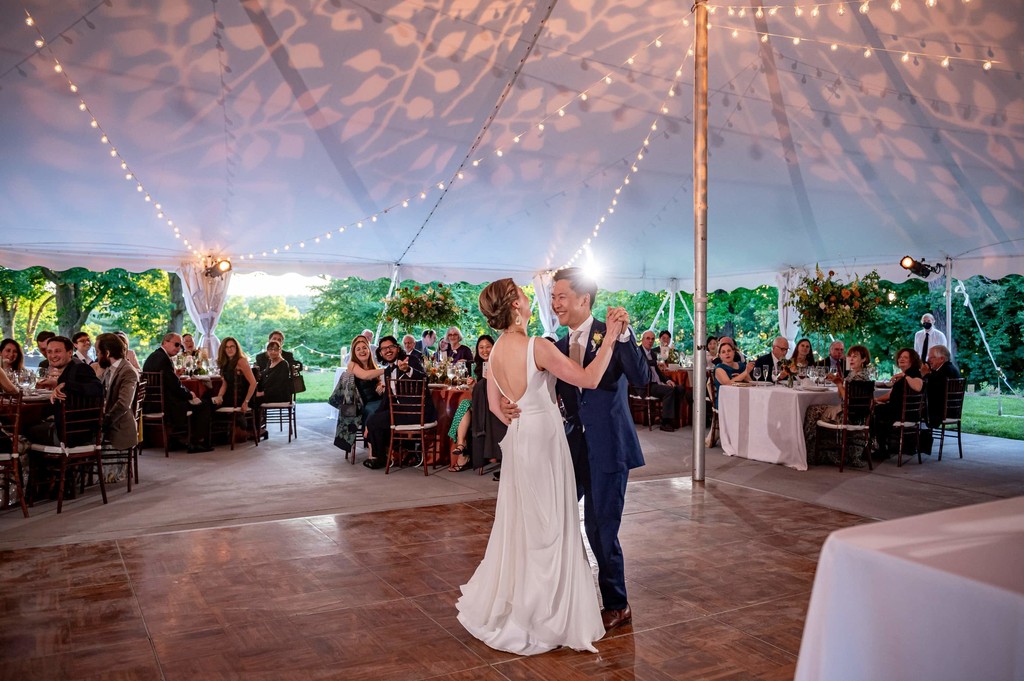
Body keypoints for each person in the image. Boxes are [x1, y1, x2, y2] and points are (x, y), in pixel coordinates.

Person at [456, 277, 629, 655]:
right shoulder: (536, 346)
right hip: (546, 440)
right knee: (550, 524)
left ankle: (522, 603)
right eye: (523, 293)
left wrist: (510, 408)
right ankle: (545, 614)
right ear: (514, 306)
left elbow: (492, 403)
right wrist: (611, 337)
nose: (531, 297)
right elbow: (589, 377)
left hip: (521, 438)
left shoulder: (496, 349)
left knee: (526, 522)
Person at [544, 267, 649, 632]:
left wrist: (625, 335)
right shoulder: (556, 345)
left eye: (561, 296)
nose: (555, 303)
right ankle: (560, 595)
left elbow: (641, 377)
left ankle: (617, 603)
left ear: (583, 299)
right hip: (572, 447)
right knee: (554, 517)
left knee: (600, 528)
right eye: (553, 297)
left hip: (609, 446)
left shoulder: (612, 334)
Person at [363, 336, 433, 469]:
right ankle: (385, 456)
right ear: (380, 353)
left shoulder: (410, 360)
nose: (387, 351)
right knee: (372, 420)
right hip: (401, 413)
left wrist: (408, 370)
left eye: (391, 347)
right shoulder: (388, 371)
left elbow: (425, 378)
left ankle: (381, 458)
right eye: (384, 349)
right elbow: (386, 400)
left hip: (417, 412)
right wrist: (370, 421)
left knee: (375, 421)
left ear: (397, 348)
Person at [142, 333, 213, 453]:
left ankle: (176, 439)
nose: (178, 348)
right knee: (204, 405)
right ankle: (195, 442)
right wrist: (190, 394)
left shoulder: (154, 356)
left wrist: (176, 377)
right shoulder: (163, 359)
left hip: (152, 403)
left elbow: (168, 381)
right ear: (165, 342)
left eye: (180, 346)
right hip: (166, 405)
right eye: (176, 344)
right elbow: (175, 386)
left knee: (198, 402)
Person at [803, 344, 872, 465]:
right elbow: (843, 395)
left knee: (812, 411)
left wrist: (839, 384)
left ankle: (810, 453)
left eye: (855, 356)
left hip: (849, 416)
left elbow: (848, 400)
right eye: (850, 356)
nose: (850, 359)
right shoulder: (856, 374)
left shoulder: (858, 376)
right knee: (815, 409)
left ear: (864, 359)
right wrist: (839, 382)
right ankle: (819, 451)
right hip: (856, 416)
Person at [447, 334, 494, 472]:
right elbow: (478, 393)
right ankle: (461, 445)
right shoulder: (479, 367)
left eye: (488, 347)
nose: (484, 350)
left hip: (494, 407)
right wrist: (473, 386)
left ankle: (462, 450)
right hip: (481, 406)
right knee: (465, 405)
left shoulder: (498, 363)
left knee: (465, 404)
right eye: (481, 347)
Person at [870, 348, 924, 459]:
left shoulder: (913, 373)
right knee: (875, 408)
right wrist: (876, 400)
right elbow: (891, 394)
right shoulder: (905, 374)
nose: (901, 359)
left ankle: (880, 448)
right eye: (900, 357)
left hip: (905, 413)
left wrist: (905, 376)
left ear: (912, 361)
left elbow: (918, 387)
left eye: (906, 357)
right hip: (898, 410)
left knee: (875, 412)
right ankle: (879, 446)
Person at [95, 333, 140, 451]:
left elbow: (123, 404)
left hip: (118, 429)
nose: (96, 355)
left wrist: (103, 423)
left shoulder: (128, 371)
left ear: (107, 353)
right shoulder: (110, 368)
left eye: (98, 352)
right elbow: (95, 386)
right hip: (109, 424)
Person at [638, 330, 683, 432]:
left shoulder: (652, 354)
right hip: (646, 385)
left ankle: (672, 419)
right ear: (642, 340)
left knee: (679, 388)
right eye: (648, 338)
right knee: (669, 391)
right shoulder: (637, 351)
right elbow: (642, 363)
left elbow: (658, 372)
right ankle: (665, 422)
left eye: (652, 339)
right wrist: (656, 362)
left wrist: (667, 381)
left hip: (656, 383)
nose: (650, 341)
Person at [212, 337, 258, 411]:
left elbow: (253, 383)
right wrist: (220, 396)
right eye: (227, 347)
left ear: (236, 348)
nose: (230, 349)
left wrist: (246, 401)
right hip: (229, 396)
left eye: (232, 346)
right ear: (223, 349)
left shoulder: (241, 361)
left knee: (208, 404)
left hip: (239, 398)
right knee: (207, 401)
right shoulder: (225, 362)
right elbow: (225, 384)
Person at [921, 344, 961, 429]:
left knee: (908, 410)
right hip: (951, 410)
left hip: (941, 412)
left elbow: (933, 389)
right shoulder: (948, 368)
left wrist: (925, 375)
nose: (928, 360)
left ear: (942, 359)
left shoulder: (945, 371)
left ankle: (916, 438)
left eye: (932, 357)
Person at [712, 340, 754, 409]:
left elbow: (751, 383)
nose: (727, 354)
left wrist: (744, 377)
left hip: (743, 398)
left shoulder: (741, 366)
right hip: (725, 401)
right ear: (720, 355)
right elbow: (728, 383)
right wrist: (744, 374)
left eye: (729, 351)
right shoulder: (719, 368)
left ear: (733, 352)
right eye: (723, 352)